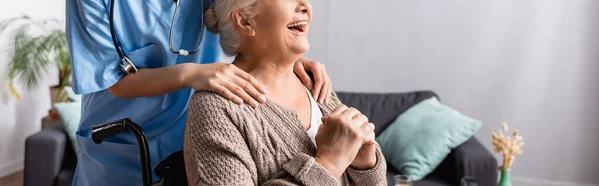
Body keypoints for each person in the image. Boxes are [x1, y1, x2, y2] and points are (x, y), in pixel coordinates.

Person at [65, 0, 333, 185]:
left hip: (197, 142)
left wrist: (284, 59)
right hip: (118, 150)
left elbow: (250, 18)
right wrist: (192, 74)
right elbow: (114, 80)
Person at [183, 0, 387, 185]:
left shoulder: (314, 83)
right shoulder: (215, 108)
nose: (306, 5)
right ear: (245, 21)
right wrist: (329, 163)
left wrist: (364, 166)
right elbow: (331, 164)